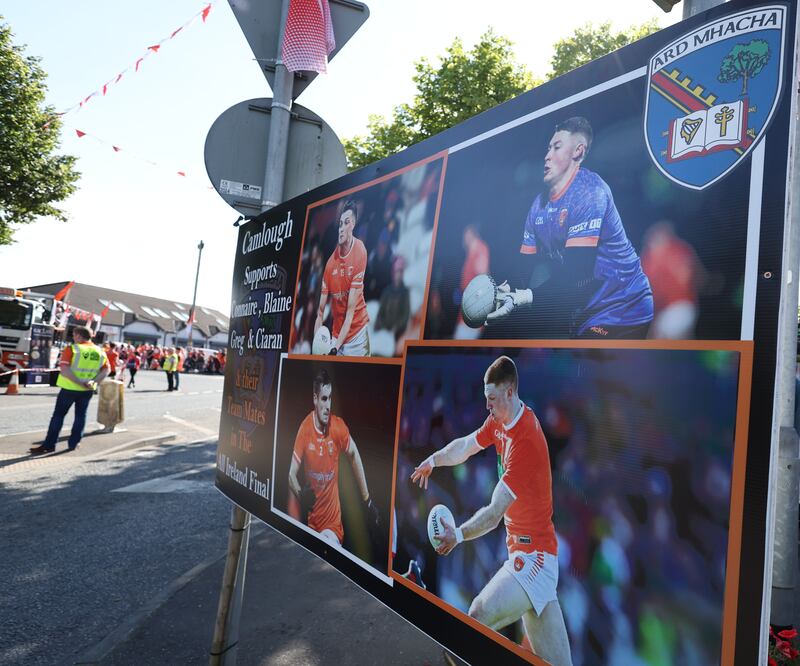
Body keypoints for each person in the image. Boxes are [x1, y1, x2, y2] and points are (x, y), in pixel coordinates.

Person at [411, 356, 572, 666]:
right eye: (486, 400)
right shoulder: (500, 421)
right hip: (526, 556)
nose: (488, 406)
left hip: (534, 558)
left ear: (510, 392)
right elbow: (466, 445)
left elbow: (494, 513)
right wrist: (433, 460)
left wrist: (457, 535)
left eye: (492, 399)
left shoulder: (527, 439)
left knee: (476, 616)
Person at [487, 116, 653, 339]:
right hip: (583, 309)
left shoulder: (590, 193)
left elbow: (578, 272)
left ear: (578, 152)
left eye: (557, 147)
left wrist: (524, 298)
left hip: (623, 308)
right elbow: (524, 268)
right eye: (548, 148)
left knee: (587, 355)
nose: (547, 156)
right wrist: (505, 291)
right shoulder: (538, 206)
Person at [288, 368, 379, 546]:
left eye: (330, 398)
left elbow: (353, 453)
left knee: (327, 544)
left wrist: (367, 500)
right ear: (315, 399)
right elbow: (291, 474)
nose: (328, 405)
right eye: (323, 398)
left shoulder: (337, 427)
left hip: (333, 527)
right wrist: (300, 494)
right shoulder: (305, 428)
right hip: (312, 524)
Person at [30, 326, 110, 454]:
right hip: (88, 390)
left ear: (78, 335)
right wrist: (94, 381)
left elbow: (65, 370)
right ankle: (74, 443)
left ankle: (49, 445)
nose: (73, 337)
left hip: (69, 388)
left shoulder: (72, 349)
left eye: (74, 335)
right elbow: (107, 370)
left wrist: (79, 382)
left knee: (58, 416)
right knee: (80, 416)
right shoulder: (100, 351)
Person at [314, 200, 371, 356]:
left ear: (352, 225)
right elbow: (320, 313)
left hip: (357, 335)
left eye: (346, 223)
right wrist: (317, 344)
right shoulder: (330, 265)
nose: (341, 228)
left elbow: (350, 312)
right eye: (340, 224)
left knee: (361, 381)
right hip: (337, 335)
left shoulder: (360, 252)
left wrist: (335, 348)